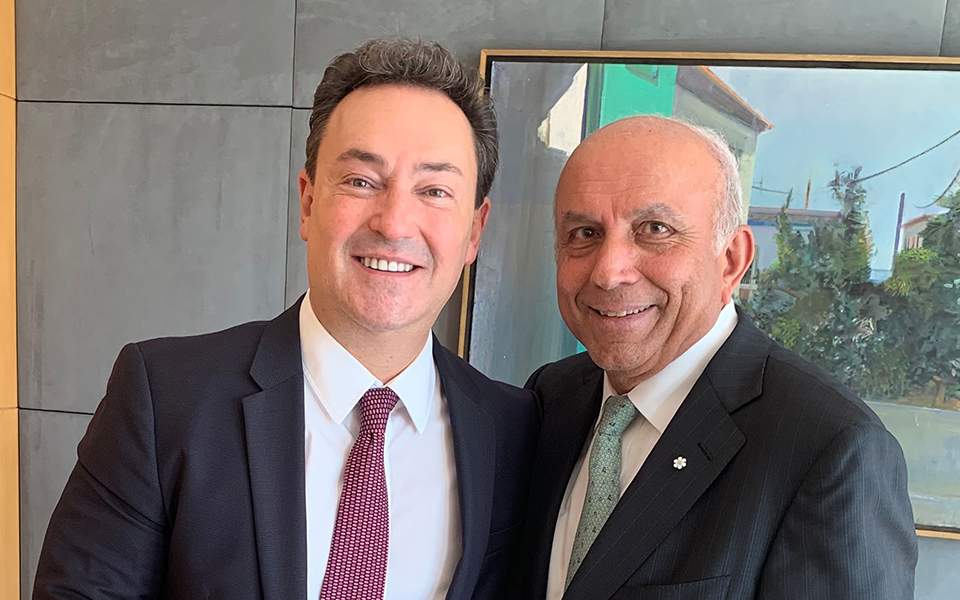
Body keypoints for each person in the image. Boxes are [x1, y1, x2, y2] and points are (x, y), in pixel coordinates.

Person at [33, 38, 537, 600]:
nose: (394, 223)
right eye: (361, 181)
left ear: (474, 230)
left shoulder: (511, 430)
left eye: (435, 190)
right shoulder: (165, 398)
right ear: (308, 200)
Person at [518, 115, 917, 600]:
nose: (609, 271)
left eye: (655, 229)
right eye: (584, 233)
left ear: (731, 260)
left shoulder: (830, 448)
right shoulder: (551, 397)